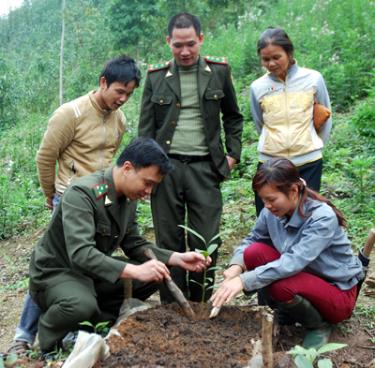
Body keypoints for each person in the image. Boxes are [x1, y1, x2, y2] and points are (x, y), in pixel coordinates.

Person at [8, 55, 141, 355]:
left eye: (129, 94)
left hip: (102, 196)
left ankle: (77, 325)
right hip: (71, 196)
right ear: (103, 82)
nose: (122, 99)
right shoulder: (71, 113)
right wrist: (49, 194)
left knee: (91, 259)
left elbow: (109, 162)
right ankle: (24, 334)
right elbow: (46, 156)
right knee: (55, 261)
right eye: (119, 91)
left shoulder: (119, 119)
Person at [28, 138, 210, 353]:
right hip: (58, 271)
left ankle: (90, 325)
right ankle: (49, 339)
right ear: (127, 168)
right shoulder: (82, 194)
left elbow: (133, 242)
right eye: (147, 182)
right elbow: (81, 253)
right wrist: (135, 270)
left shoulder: (124, 196)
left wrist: (176, 258)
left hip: (91, 273)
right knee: (80, 305)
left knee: (156, 273)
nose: (148, 192)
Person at [138, 12, 243, 302]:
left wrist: (232, 154)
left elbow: (233, 117)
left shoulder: (218, 72)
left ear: (200, 40)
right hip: (165, 171)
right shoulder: (156, 77)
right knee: (168, 240)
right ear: (168, 42)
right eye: (177, 45)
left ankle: (200, 301)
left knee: (205, 239)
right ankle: (173, 306)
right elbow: (145, 130)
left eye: (190, 44)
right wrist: (145, 173)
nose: (184, 52)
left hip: (204, 169)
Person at [210, 158, 364, 349]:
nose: (266, 206)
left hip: (336, 294)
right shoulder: (271, 211)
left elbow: (293, 262)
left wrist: (243, 280)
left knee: (281, 285)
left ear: (293, 191)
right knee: (253, 253)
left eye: (271, 199)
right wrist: (236, 267)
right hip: (305, 278)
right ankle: (286, 313)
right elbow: (253, 239)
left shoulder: (321, 218)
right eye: (263, 200)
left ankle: (318, 326)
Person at [250, 27, 332, 215]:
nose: (271, 63)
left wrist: (314, 144)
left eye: (276, 57)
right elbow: (259, 123)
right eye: (265, 59)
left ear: (289, 52)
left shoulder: (313, 79)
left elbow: (326, 115)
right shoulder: (257, 87)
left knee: (306, 216)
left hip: (308, 161)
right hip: (270, 164)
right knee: (269, 217)